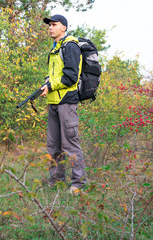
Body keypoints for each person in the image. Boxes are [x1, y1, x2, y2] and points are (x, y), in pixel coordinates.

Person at [40, 14, 86, 194]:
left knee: (70, 145)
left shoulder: (70, 47)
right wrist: (46, 83)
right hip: (53, 102)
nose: (50, 28)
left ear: (63, 28)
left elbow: (71, 77)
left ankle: (78, 185)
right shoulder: (55, 48)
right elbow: (54, 75)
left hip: (67, 102)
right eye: (49, 25)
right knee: (53, 145)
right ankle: (56, 181)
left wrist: (51, 85)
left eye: (54, 25)